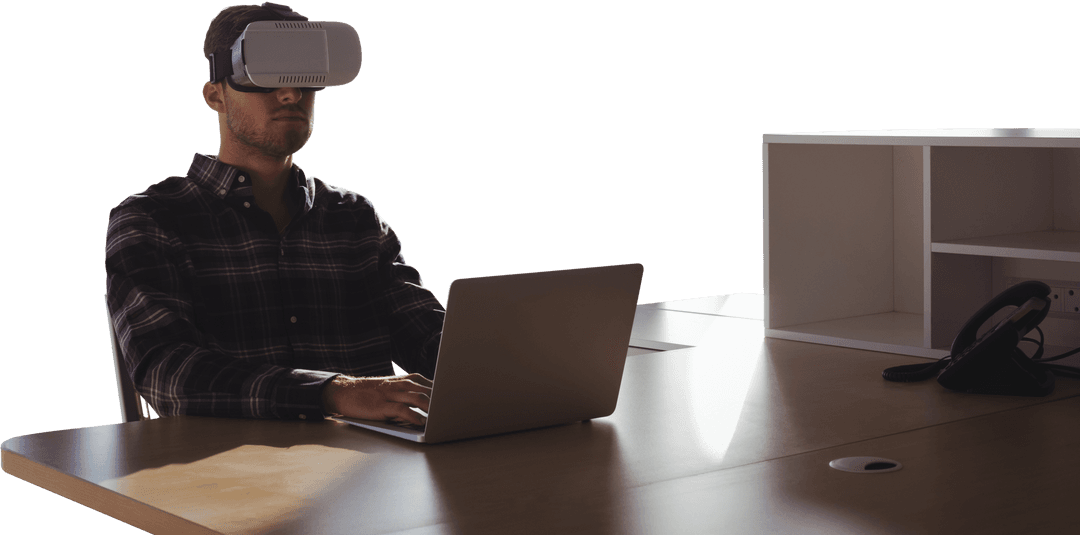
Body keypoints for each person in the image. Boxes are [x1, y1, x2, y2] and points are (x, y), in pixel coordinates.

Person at [104, 3, 441, 427]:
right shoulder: (152, 219)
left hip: (378, 458)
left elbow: (426, 336)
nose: (290, 94)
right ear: (215, 95)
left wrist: (497, 361)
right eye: (264, 76)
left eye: (304, 77)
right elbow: (168, 373)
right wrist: (334, 393)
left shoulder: (354, 218)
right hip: (230, 465)